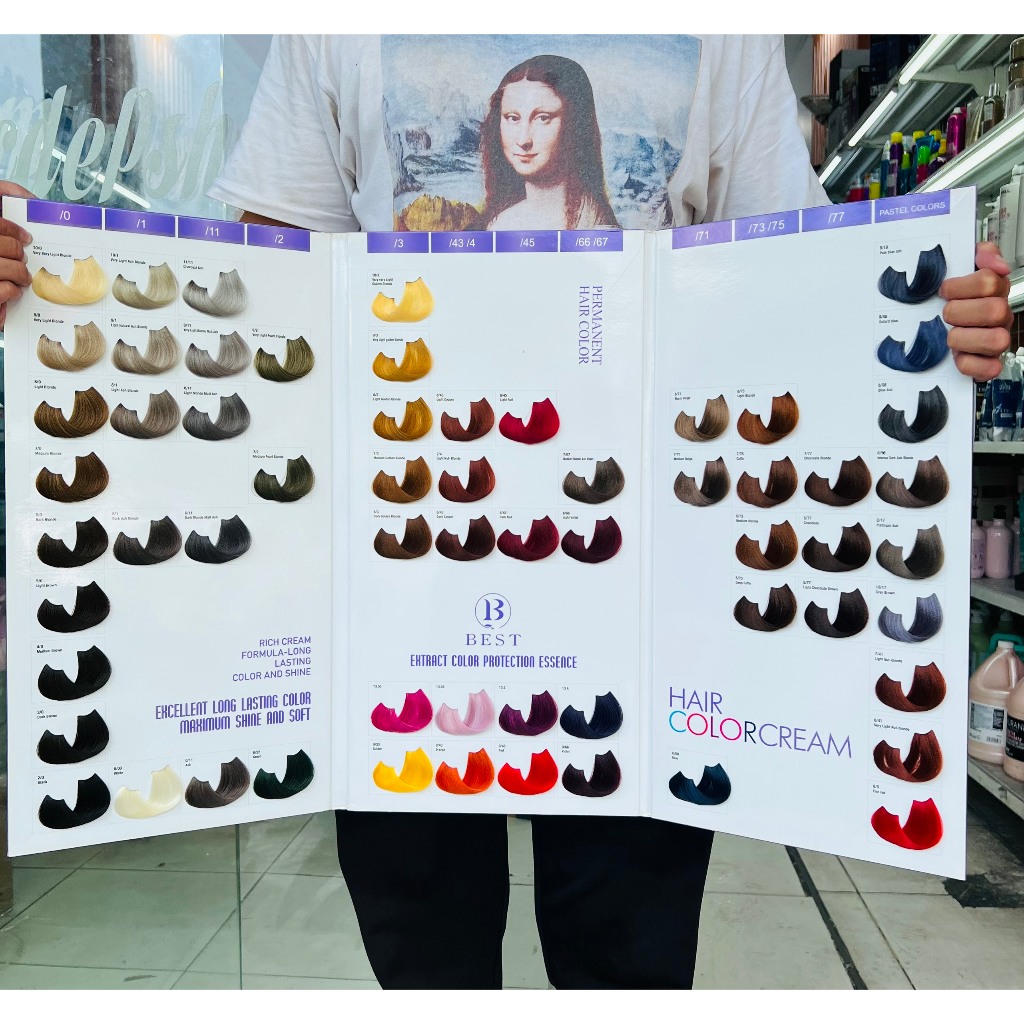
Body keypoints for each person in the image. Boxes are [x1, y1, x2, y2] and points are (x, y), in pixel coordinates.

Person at [0, 35, 1014, 990]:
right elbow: (270, 289)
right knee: (424, 948)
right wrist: (53, 276)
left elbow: (796, 277)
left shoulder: (725, 30)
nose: (525, 135)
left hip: (639, 589)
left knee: (626, 956)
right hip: (402, 571)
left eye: (545, 117)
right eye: (508, 118)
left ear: (574, 126)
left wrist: (925, 315)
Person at [480, 54, 620, 230]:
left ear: (574, 123)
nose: (523, 140)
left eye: (542, 118)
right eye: (513, 118)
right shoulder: (499, 222)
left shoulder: (595, 226)